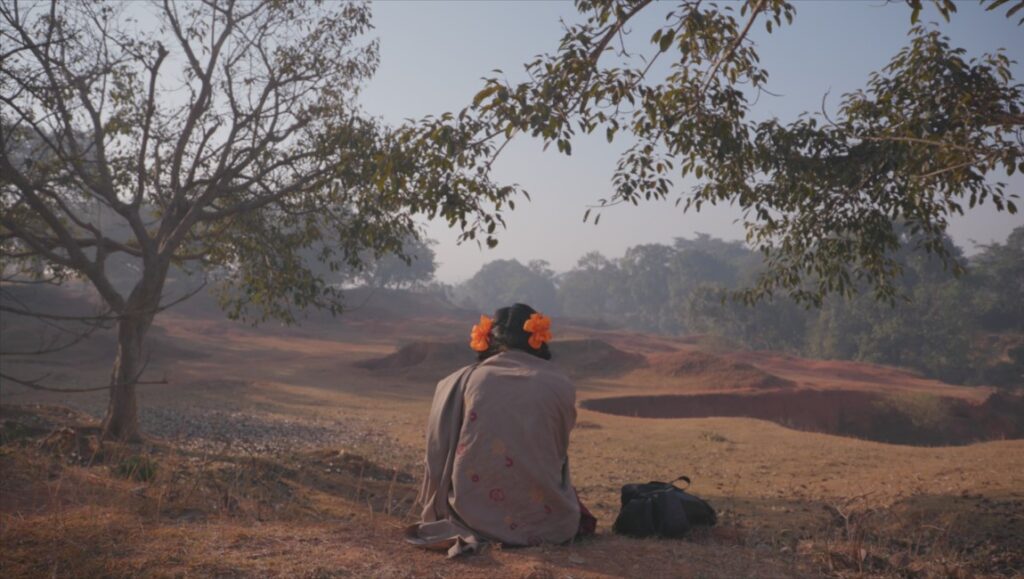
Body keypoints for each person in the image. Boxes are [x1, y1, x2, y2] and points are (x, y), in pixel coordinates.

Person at [405, 303, 596, 557]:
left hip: (472, 516)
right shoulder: (560, 383)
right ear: (537, 338)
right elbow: (558, 452)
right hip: (550, 522)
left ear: (488, 339)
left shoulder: (463, 380)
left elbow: (438, 450)